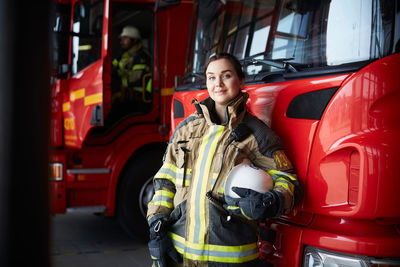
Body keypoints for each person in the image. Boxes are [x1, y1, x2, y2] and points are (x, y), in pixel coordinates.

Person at [146, 53, 302, 266]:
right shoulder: (186, 130)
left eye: (226, 75)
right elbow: (165, 182)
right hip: (178, 256)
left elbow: (289, 182)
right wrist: (156, 225)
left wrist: (271, 201)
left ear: (241, 80)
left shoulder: (258, 134)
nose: (217, 83)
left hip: (229, 260)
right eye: (211, 77)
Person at [111, 25, 151, 106]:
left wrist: (118, 74)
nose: (121, 41)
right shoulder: (123, 55)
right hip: (127, 96)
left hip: (140, 98)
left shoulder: (142, 56)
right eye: (121, 39)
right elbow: (110, 67)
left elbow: (135, 78)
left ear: (135, 40)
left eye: (125, 38)